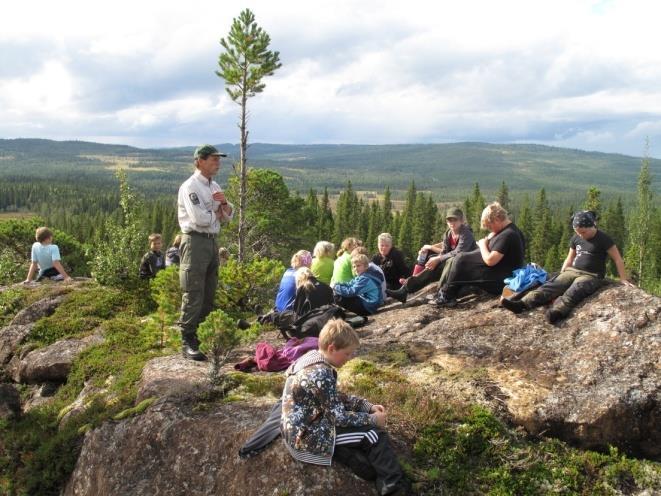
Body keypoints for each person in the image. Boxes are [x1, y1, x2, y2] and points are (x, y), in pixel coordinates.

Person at [280, 319, 407, 495]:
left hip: (302, 428)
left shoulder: (310, 358)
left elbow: (333, 398)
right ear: (332, 348)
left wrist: (366, 406)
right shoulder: (320, 372)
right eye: (347, 354)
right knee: (374, 435)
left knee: (366, 461)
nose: (349, 358)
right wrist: (373, 419)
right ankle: (395, 490)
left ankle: (354, 460)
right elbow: (337, 417)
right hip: (305, 438)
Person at [501, 210, 634, 323]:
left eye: (583, 232)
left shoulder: (604, 239)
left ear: (592, 226)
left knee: (576, 290)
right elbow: (570, 257)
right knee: (552, 285)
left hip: (592, 275)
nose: (580, 235)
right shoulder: (576, 238)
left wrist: (623, 279)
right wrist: (563, 271)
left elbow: (617, 259)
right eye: (578, 232)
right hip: (573, 270)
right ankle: (522, 304)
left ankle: (557, 312)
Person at [177, 144, 233, 361]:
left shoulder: (214, 185)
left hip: (211, 241)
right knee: (193, 291)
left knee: (209, 292)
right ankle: (187, 340)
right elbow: (199, 219)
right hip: (195, 241)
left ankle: (202, 336)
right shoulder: (190, 186)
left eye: (218, 159)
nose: (217, 163)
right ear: (199, 161)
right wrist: (218, 212)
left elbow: (228, 213)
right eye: (213, 159)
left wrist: (223, 206)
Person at [432, 202, 525, 307]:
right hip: (499, 271)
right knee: (461, 259)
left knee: (461, 260)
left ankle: (446, 296)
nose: (490, 229)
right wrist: (490, 238)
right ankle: (449, 293)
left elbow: (490, 261)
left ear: (497, 219)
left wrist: (483, 245)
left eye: (490, 226)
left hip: (501, 280)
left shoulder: (508, 235)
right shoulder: (507, 230)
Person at [387, 208, 477, 303]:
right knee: (434, 263)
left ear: (461, 221)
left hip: (468, 268)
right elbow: (445, 251)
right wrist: (435, 260)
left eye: (455, 220)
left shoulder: (466, 233)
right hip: (455, 267)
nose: (452, 222)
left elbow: (459, 252)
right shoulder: (448, 234)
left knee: (443, 261)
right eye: (449, 220)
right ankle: (404, 290)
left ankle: (442, 294)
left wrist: (438, 258)